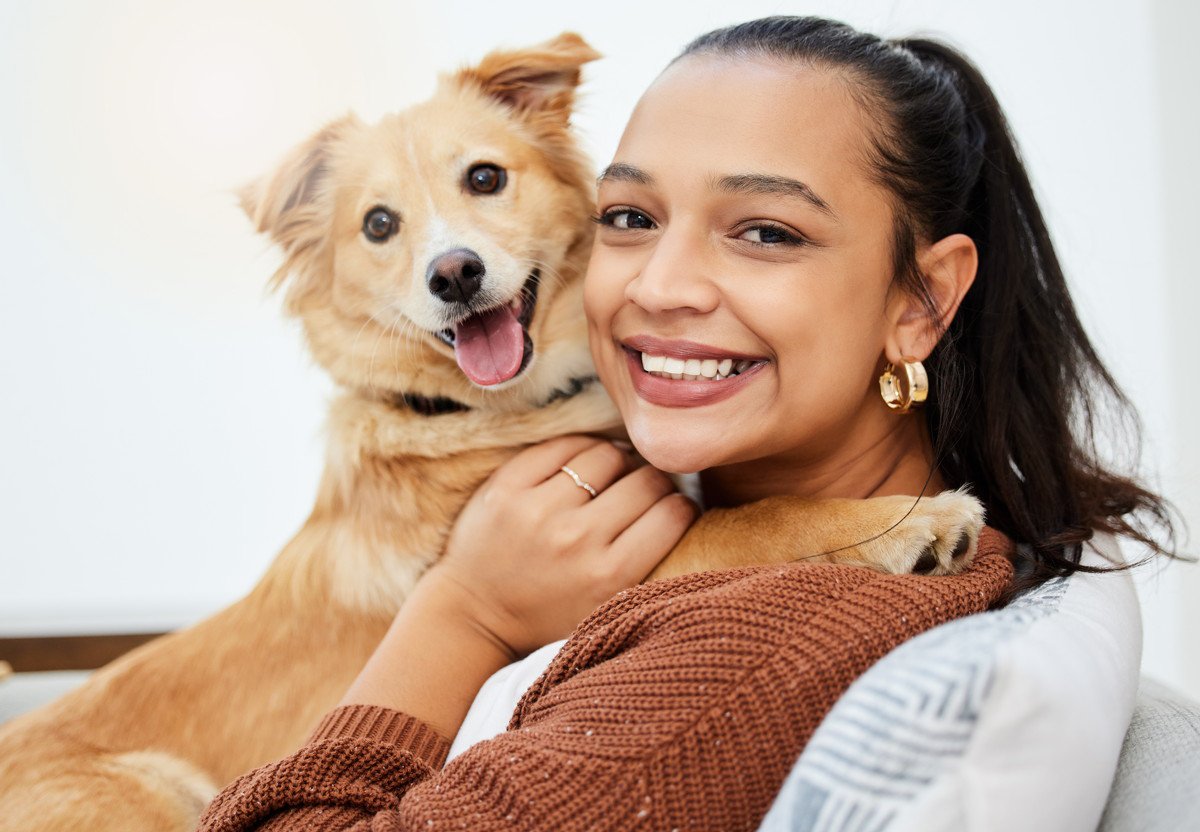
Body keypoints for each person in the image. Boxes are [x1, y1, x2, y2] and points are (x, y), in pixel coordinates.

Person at [199, 16, 1176, 831]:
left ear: (922, 300)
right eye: (630, 217)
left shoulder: (744, 658)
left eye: (765, 231)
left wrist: (465, 612)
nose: (659, 287)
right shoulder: (738, 529)